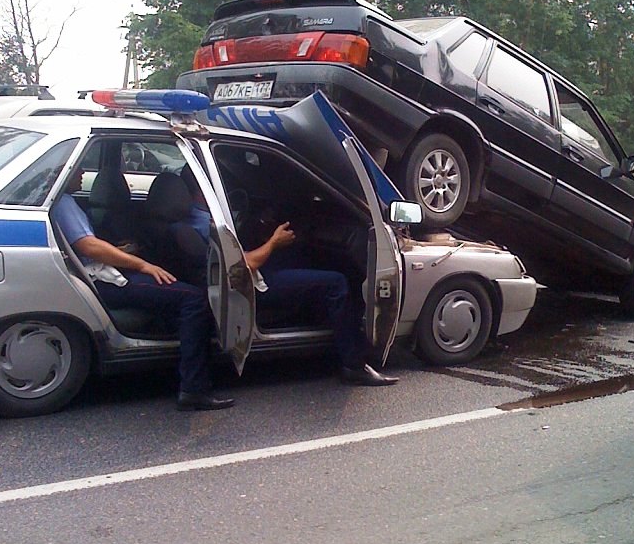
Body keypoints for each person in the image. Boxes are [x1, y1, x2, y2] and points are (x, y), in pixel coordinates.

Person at [179, 166, 397, 386]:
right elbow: (241, 265)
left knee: (298, 255)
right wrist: (273, 242)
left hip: (247, 275)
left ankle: (328, 324)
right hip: (248, 285)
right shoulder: (205, 224)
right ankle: (354, 364)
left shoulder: (194, 217)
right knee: (336, 282)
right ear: (201, 189)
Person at [52, 168, 234, 412]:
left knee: (175, 294)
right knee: (194, 299)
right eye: (77, 169)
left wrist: (122, 252)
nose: (83, 171)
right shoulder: (64, 202)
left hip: (98, 273)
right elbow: (88, 246)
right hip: (104, 280)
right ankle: (194, 388)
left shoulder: (63, 201)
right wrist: (143, 265)